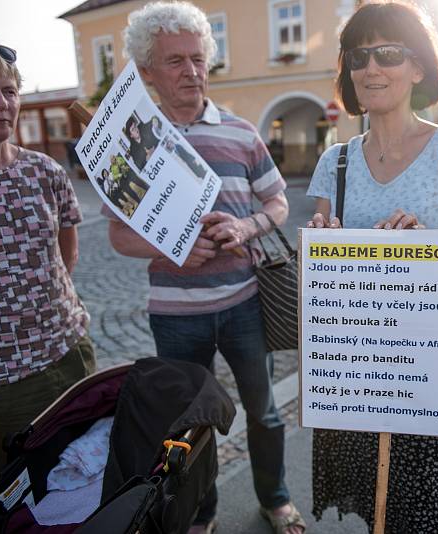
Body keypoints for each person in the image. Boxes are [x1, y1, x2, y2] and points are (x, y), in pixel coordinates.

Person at [114, 3, 303, 533]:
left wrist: (246, 228)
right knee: (187, 426)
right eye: (175, 61)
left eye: (198, 58)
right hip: (175, 316)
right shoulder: (134, 143)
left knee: (264, 413)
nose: (191, 71)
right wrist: (172, 248)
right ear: (147, 70)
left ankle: (276, 497)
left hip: (244, 303)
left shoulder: (242, 132)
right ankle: (202, 512)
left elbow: (279, 204)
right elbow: (119, 235)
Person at [306, 2, 438, 532]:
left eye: (387, 53)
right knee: (374, 509)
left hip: (426, 371)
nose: (370, 68)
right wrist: (320, 244)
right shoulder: (334, 161)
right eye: (358, 56)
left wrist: (429, 247)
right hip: (356, 365)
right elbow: (321, 264)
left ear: (417, 68)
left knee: (429, 514)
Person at [0, 36, 95, 479]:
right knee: (11, 494)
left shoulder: (44, 171)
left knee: (86, 472)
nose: (2, 103)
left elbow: (65, 251)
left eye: (10, 91)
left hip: (69, 355)